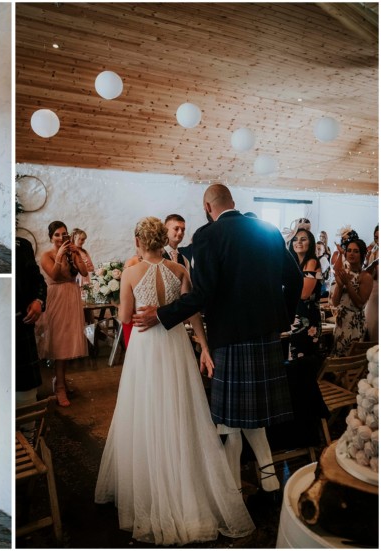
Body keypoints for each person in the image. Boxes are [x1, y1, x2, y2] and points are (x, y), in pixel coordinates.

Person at [133, 183, 302, 503]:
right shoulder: (267, 230)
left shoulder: (209, 236)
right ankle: (268, 484)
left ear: (207, 207)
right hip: (267, 337)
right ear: (232, 201)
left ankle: (232, 491)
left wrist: (163, 314)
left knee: (229, 421)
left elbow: (202, 294)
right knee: (253, 419)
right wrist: (283, 318)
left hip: (230, 338)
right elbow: (294, 280)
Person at [95, 217, 254, 545]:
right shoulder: (180, 270)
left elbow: (124, 317)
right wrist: (204, 346)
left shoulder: (130, 272)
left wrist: (135, 305)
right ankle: (183, 480)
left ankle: (151, 481)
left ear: (138, 239)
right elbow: (193, 311)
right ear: (162, 239)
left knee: (145, 408)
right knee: (179, 408)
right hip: (175, 345)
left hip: (145, 347)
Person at [36, 221, 89, 407]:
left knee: (67, 342)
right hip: (57, 298)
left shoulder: (71, 253)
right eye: (57, 235)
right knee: (59, 344)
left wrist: (77, 253)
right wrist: (59, 256)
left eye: (64, 234)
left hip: (72, 297)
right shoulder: (46, 255)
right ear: (51, 237)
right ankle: (59, 387)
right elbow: (55, 275)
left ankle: (62, 382)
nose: (61, 238)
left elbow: (84, 271)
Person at [15, 237, 47, 407]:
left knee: (26, 395)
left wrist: (39, 301)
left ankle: (28, 431)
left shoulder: (22, 245)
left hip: (21, 324)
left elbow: (38, 280)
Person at [331, 237, 372, 356]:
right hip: (341, 321)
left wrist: (348, 284)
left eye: (356, 251)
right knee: (338, 357)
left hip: (355, 322)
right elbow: (335, 302)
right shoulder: (344, 272)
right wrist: (340, 285)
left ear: (362, 254)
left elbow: (359, 304)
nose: (351, 254)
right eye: (349, 250)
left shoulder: (365, 277)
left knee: (351, 358)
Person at [287, 229, 323, 360]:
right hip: (298, 317)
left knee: (302, 361)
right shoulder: (298, 264)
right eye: (295, 239)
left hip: (307, 320)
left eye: (303, 239)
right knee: (297, 359)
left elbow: (304, 294)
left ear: (311, 243)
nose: (298, 242)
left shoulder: (312, 262)